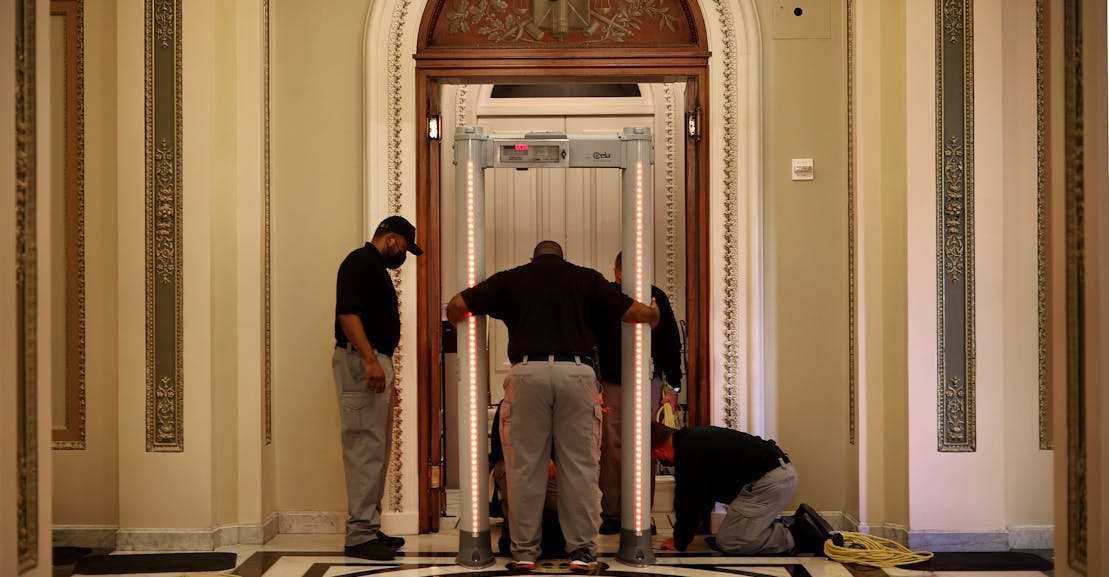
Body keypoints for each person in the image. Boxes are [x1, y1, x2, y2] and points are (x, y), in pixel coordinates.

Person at [447, 240, 659, 572]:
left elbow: (457, 306)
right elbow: (636, 313)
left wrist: (466, 316)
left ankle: (525, 553)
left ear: (533, 258)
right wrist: (654, 313)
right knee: (581, 468)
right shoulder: (585, 279)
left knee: (524, 469)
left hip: (526, 373)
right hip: (576, 373)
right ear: (563, 257)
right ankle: (582, 552)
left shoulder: (512, 279)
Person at [332, 215, 423, 561]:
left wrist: (382, 369)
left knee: (377, 450)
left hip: (371, 360)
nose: (404, 255)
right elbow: (348, 315)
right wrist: (370, 360)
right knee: (364, 448)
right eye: (403, 246)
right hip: (361, 360)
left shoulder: (373, 267)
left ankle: (368, 526)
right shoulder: (359, 262)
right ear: (389, 237)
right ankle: (359, 535)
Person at [650, 422, 840, 556]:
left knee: (730, 542)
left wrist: (679, 541)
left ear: (658, 452)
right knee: (730, 534)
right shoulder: (692, 440)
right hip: (776, 475)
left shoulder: (688, 453)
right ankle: (784, 524)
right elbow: (701, 498)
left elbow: (687, 500)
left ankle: (799, 534)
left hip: (770, 482)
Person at [594, 251, 683, 535]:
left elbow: (670, 342)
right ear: (617, 272)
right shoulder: (606, 296)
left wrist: (673, 385)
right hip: (614, 380)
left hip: (647, 379)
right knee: (613, 448)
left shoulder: (655, 297)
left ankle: (639, 512)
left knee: (645, 447)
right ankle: (614, 511)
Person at [489, 402, 565, 559]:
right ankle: (519, 537)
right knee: (520, 494)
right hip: (513, 463)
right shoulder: (508, 405)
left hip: (548, 465)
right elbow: (501, 447)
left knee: (562, 501)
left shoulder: (554, 402)